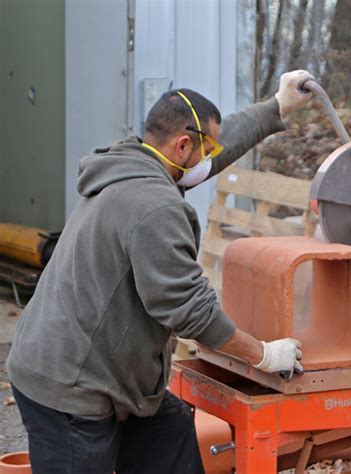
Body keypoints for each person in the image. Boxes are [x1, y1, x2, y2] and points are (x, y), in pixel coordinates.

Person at [7, 70, 314, 473]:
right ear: (182, 144)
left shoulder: (131, 162)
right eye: (204, 151)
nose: (209, 160)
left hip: (111, 374)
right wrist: (264, 355)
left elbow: (213, 152)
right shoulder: (156, 205)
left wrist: (277, 105)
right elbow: (190, 311)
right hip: (69, 387)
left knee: (168, 435)